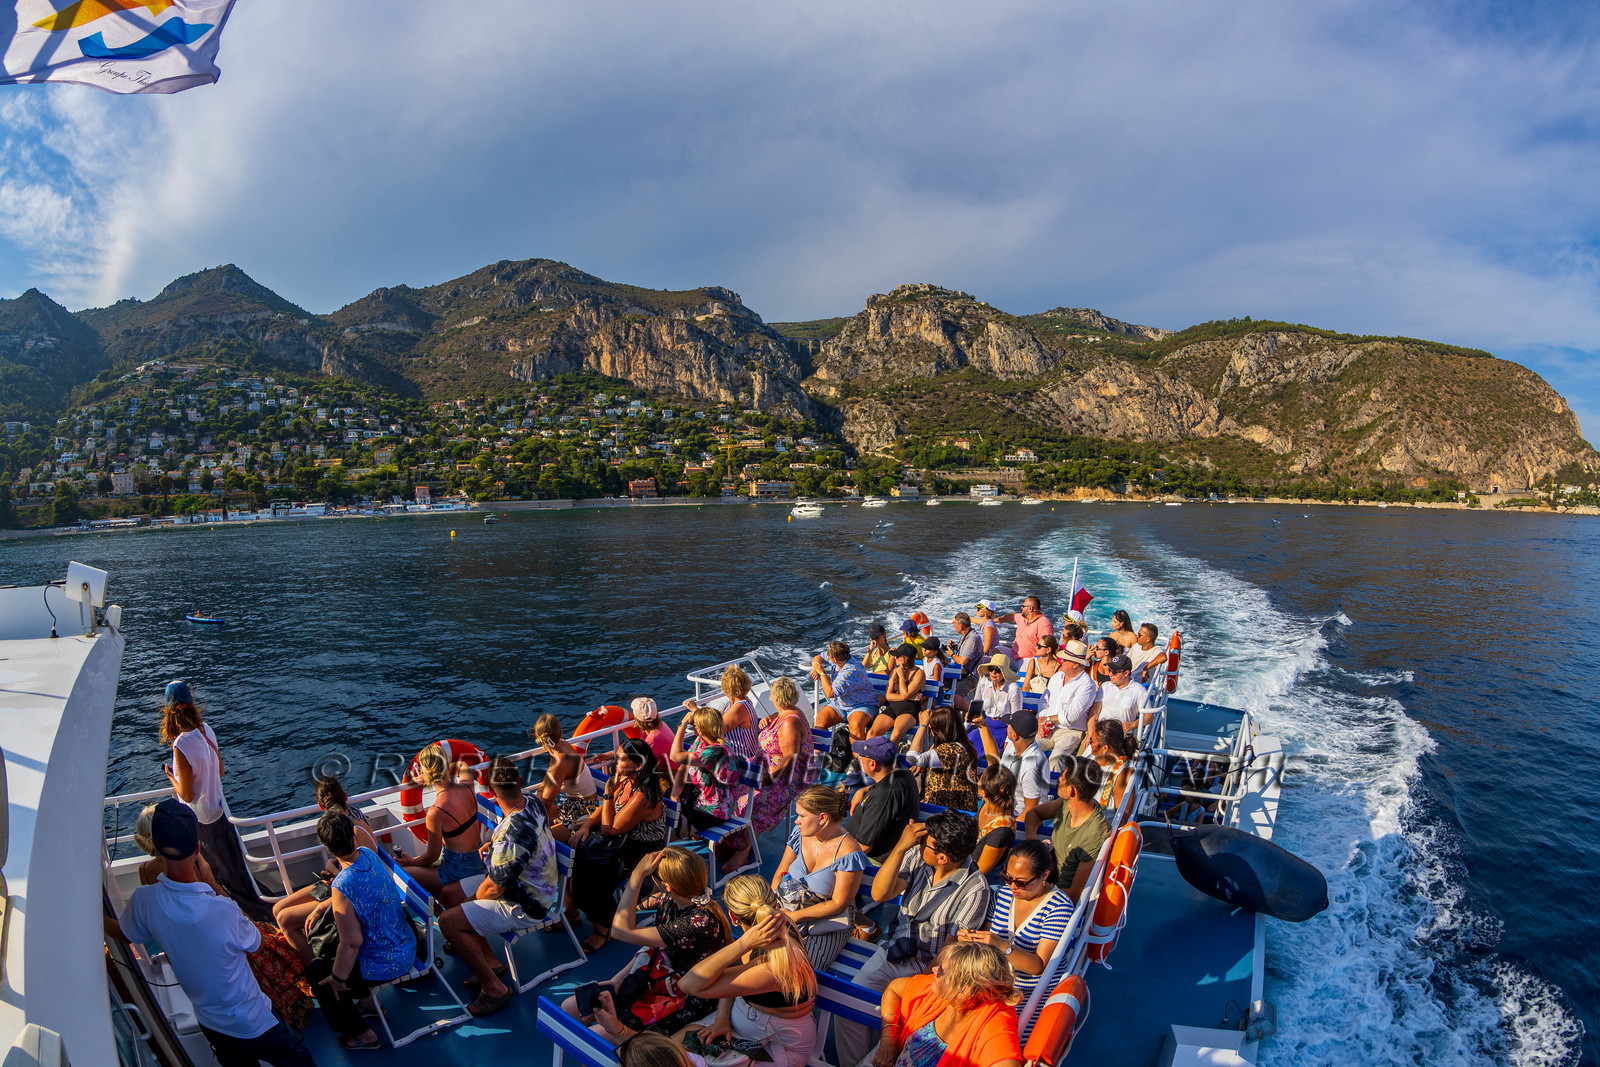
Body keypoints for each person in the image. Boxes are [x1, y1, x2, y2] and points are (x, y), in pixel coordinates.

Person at [109, 800, 316, 1066]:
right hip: (254, 1021)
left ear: (157, 849)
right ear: (197, 849)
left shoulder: (144, 900)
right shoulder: (220, 908)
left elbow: (127, 933)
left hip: (212, 1025)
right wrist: (212, 884)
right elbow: (257, 943)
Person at [835, 812, 991, 1067]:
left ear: (942, 857)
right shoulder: (916, 855)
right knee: (848, 1008)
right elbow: (880, 893)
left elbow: (950, 952)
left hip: (928, 970)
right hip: (893, 951)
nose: (918, 844)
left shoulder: (975, 890)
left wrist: (918, 987)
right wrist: (899, 848)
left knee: (900, 1030)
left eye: (923, 843)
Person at [565, 846, 732, 1037]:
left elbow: (619, 931)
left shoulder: (697, 922)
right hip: (660, 978)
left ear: (667, 885)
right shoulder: (671, 900)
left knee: (592, 1038)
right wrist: (618, 980)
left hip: (682, 997)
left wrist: (637, 876)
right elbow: (655, 949)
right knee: (569, 1008)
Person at [439, 757, 560, 1017]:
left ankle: (494, 988)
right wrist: (493, 847)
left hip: (527, 904)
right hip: (535, 885)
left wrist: (468, 903)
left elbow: (494, 889)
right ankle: (491, 964)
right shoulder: (533, 801)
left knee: (448, 921)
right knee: (448, 893)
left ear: (492, 793)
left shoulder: (511, 838)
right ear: (519, 781)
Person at [158, 680, 273, 922]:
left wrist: (171, 777)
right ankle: (262, 911)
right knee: (237, 873)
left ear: (168, 710)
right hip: (220, 813)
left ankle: (252, 921)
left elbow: (187, 795)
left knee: (221, 879)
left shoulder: (181, 745)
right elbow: (220, 770)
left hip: (201, 822)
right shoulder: (206, 730)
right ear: (192, 703)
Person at [675, 875, 819, 1067]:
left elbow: (688, 984)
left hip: (777, 1043)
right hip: (744, 1022)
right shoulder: (776, 922)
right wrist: (721, 1018)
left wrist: (743, 944)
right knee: (669, 1049)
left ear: (733, 918)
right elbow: (732, 978)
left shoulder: (771, 965)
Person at [302, 810, 414, 1050]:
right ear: (354, 837)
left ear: (328, 848)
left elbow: (352, 943)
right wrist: (324, 906)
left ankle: (362, 1035)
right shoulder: (368, 855)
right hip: (406, 945)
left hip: (387, 963)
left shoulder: (343, 884)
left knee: (319, 974)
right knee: (336, 962)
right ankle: (370, 1005)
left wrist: (338, 979)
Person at [569, 738, 668, 951]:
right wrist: (586, 825)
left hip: (642, 850)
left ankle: (603, 929)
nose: (616, 763)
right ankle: (588, 912)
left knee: (594, 869)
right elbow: (607, 810)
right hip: (623, 840)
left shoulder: (643, 795)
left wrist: (606, 793)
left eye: (621, 759)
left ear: (638, 765)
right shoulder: (625, 780)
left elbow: (609, 828)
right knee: (580, 857)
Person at [273, 777, 384, 963]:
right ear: (345, 797)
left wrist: (322, 905)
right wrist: (332, 868)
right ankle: (315, 949)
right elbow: (350, 866)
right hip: (341, 883)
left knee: (284, 919)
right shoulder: (349, 819)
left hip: (353, 893)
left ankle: (318, 968)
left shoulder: (355, 831)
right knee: (278, 909)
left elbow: (362, 882)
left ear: (320, 805)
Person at [873, 942, 1023, 1067]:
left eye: (941, 971)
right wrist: (888, 1039)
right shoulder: (938, 993)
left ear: (964, 990)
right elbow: (892, 988)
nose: (934, 969)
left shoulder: (995, 1023)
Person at [959, 840, 1073, 998]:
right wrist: (973, 939)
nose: (1012, 886)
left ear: (1044, 875)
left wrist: (1002, 945)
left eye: (1021, 882)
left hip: (1033, 994)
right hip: (995, 984)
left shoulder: (1059, 907)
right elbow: (986, 938)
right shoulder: (1003, 894)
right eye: (1007, 878)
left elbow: (1038, 966)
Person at [772, 786, 869, 968]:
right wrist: (773, 905)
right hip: (787, 912)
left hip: (825, 923)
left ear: (823, 818)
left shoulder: (848, 853)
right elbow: (779, 873)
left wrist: (795, 917)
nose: (796, 821)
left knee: (799, 969)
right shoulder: (800, 836)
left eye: (802, 816)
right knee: (760, 954)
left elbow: (838, 903)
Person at [399, 742, 484, 899]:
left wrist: (410, 862)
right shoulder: (467, 786)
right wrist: (439, 772)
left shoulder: (435, 812)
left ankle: (437, 918)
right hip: (477, 860)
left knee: (401, 873)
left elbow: (432, 856)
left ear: (425, 772)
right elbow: (463, 764)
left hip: (457, 870)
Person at [1023, 757, 1108, 901]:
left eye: (1062, 776)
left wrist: (1032, 891)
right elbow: (1034, 814)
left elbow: (1075, 894)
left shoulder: (1095, 835)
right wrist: (1033, 845)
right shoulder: (1066, 804)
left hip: (1057, 895)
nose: (1059, 778)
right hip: (1044, 874)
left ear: (1071, 790)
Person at [751, 676, 813, 840]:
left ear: (774, 698)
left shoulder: (789, 724)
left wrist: (767, 780)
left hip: (791, 775)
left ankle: (745, 848)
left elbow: (790, 760)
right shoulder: (789, 712)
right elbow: (781, 715)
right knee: (738, 789)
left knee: (755, 800)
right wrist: (769, 718)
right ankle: (740, 838)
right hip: (772, 765)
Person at [845, 735, 921, 862]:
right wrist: (863, 789)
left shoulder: (884, 798)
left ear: (872, 764)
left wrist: (831, 855)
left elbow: (864, 847)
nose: (858, 758)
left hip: (871, 860)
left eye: (861, 756)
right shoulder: (902, 773)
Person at [670, 704, 742, 835]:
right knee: (660, 810)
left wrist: (683, 724)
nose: (692, 727)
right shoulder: (701, 741)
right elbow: (684, 766)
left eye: (693, 725)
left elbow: (675, 756)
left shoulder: (717, 751)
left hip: (713, 810)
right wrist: (675, 794)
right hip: (696, 799)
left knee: (668, 831)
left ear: (700, 729)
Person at [976, 709, 1049, 822]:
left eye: (1009, 725)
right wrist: (983, 726)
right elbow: (995, 765)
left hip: (1017, 818)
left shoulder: (1032, 766)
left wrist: (1007, 828)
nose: (1007, 726)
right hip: (1002, 809)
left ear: (1014, 735)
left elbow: (1031, 810)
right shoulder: (1014, 744)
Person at [906, 704, 981, 813]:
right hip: (949, 811)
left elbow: (913, 758)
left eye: (930, 727)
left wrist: (922, 725)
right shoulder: (960, 745)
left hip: (946, 815)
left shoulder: (951, 751)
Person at [535, 713, 600, 827]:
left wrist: (540, 792)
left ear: (537, 736)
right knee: (535, 814)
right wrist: (540, 792)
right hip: (578, 804)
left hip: (582, 812)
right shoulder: (563, 745)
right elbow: (550, 776)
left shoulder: (561, 761)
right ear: (560, 732)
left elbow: (545, 804)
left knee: (536, 821)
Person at [684, 666, 760, 765]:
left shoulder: (739, 707)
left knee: (688, 758)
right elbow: (716, 718)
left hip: (741, 760)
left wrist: (695, 710)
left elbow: (712, 730)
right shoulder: (735, 702)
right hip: (733, 755)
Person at [1041, 640, 1097, 770]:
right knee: (1025, 748)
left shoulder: (1087, 685)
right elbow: (1044, 701)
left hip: (1071, 732)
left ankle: (1053, 789)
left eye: (1065, 659)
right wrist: (1042, 720)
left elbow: (1071, 716)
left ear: (1075, 664)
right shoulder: (1057, 677)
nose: (1061, 661)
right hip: (1048, 729)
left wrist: (1047, 719)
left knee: (1056, 759)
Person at [812, 640, 880, 736]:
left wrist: (822, 673)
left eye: (829, 655)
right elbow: (819, 657)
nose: (828, 655)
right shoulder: (843, 658)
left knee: (855, 726)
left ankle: (858, 750)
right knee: (820, 720)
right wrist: (815, 666)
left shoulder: (851, 671)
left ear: (834, 660)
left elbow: (830, 693)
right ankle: (820, 751)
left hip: (861, 704)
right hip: (841, 703)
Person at [1086, 654, 1151, 742]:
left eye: (1114, 672)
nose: (1110, 674)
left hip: (1121, 738)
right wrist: (1091, 735)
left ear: (1126, 673)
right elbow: (1094, 713)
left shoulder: (1139, 690)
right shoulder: (1104, 687)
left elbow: (1149, 716)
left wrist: (1132, 725)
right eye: (1109, 670)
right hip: (1100, 734)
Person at [967, 654, 1020, 752]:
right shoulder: (983, 683)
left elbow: (1016, 717)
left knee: (995, 752)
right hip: (986, 724)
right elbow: (976, 707)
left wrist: (1009, 739)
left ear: (1004, 672)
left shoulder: (1013, 689)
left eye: (998, 670)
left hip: (1004, 729)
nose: (993, 672)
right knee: (968, 745)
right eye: (991, 669)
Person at [973, 766, 1018, 875]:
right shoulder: (988, 804)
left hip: (984, 879)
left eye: (979, 778)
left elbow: (980, 872)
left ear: (985, 793)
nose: (977, 780)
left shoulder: (1002, 831)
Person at [878, 643, 927, 740]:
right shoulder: (895, 671)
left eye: (898, 656)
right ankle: (870, 755)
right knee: (872, 732)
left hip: (909, 710)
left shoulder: (919, 674)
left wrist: (901, 677)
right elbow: (888, 695)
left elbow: (905, 695)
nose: (895, 658)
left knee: (895, 735)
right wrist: (911, 697)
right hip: (893, 708)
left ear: (906, 658)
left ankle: (892, 755)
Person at [1089, 720, 1137, 812]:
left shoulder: (1122, 772)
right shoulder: (1091, 758)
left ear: (1104, 748)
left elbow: (1124, 814)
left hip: (1103, 823)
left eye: (1092, 741)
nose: (1090, 744)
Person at [995, 597, 1054, 668]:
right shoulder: (1022, 618)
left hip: (1028, 661)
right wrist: (993, 620)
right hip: (1014, 655)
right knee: (997, 650)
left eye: (1023, 606)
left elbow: (1046, 648)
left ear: (1030, 609)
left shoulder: (1044, 624)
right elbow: (1011, 616)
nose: (1021, 608)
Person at [625, 697, 677, 763]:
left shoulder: (653, 739)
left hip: (668, 772)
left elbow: (640, 761)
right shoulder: (662, 725)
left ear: (636, 718)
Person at [947, 613, 985, 702]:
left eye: (955, 624)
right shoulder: (966, 636)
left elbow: (963, 661)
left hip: (969, 676)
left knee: (956, 699)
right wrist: (956, 648)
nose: (954, 626)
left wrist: (952, 654)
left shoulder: (971, 640)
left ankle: (970, 714)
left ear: (960, 626)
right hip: (960, 673)